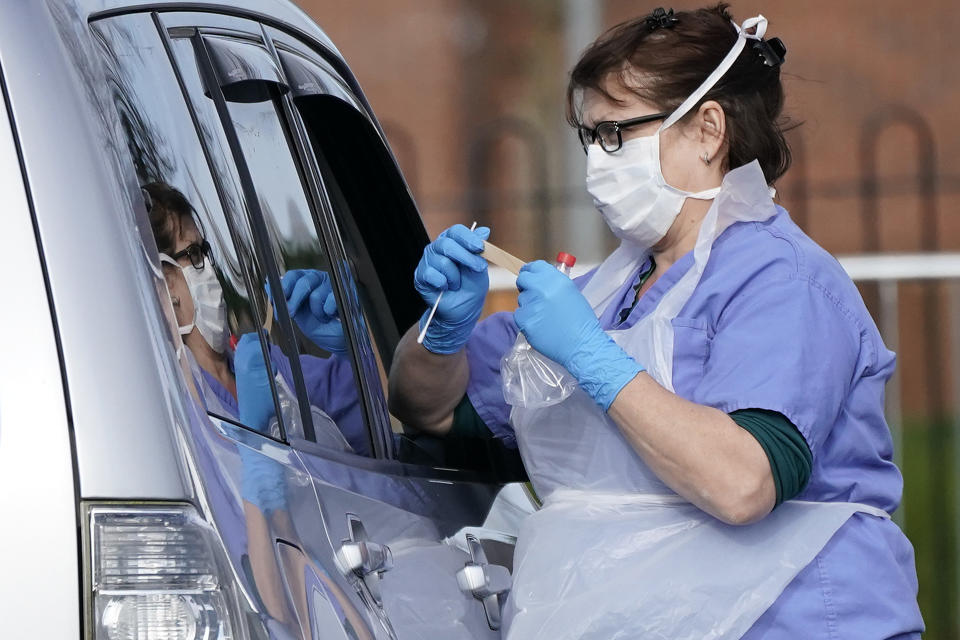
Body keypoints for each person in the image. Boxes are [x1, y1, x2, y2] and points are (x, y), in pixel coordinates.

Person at [389, 5, 923, 638]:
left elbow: (742, 483)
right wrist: (441, 333)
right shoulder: (603, 293)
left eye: (615, 134)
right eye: (588, 138)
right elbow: (427, 408)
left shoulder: (786, 283)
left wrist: (595, 360)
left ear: (707, 130)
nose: (597, 161)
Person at [144, 181, 366, 454]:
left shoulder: (267, 367)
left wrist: (350, 346)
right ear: (163, 284)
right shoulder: (174, 408)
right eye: (195, 254)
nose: (210, 267)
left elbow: (364, 427)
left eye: (206, 251)